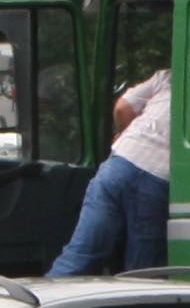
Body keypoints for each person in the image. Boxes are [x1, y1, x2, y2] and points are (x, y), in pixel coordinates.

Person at [48, 67, 171, 276]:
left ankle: (40, 301)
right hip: (158, 178)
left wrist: (124, 133)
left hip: (118, 165)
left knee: (80, 256)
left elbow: (122, 109)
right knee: (143, 273)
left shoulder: (168, 78)